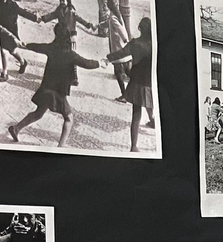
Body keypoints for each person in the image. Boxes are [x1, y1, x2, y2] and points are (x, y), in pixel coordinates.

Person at [8, 18, 102, 147]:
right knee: (69, 119)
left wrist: (25, 45)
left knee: (38, 113)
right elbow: (86, 63)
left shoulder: (51, 48)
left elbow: (38, 47)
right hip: (58, 92)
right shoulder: (70, 54)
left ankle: (16, 128)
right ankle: (61, 147)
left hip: (46, 88)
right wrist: (100, 63)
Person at [105, 15, 155, 152]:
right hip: (150, 82)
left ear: (140, 29)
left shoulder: (134, 43)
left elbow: (121, 53)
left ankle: (133, 146)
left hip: (137, 81)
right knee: (150, 103)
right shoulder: (154, 45)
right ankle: (153, 121)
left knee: (136, 114)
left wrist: (107, 59)